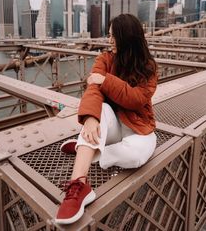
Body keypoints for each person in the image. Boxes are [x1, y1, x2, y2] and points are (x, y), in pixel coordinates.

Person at [55, 14, 158, 224]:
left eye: (114, 36)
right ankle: (79, 185)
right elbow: (93, 90)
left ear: (127, 37)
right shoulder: (104, 59)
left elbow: (137, 99)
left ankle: (87, 148)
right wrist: (91, 118)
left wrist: (105, 80)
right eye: (108, 35)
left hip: (138, 127)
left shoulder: (148, 67)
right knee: (99, 108)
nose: (109, 41)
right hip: (110, 124)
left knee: (137, 157)